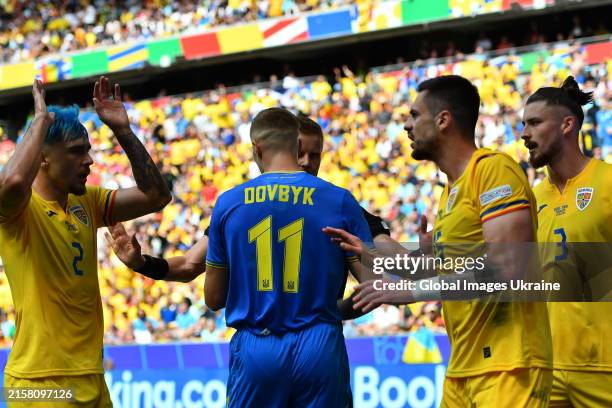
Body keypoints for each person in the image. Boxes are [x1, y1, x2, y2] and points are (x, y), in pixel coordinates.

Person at [326, 75, 553, 407]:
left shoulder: (492, 171)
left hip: (510, 366)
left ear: (443, 120)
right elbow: (441, 271)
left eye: (414, 115)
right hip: (464, 368)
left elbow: (506, 268)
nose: (406, 125)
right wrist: (371, 245)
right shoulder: (450, 193)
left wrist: (408, 292)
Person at [0, 77, 171, 406]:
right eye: (77, 151)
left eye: (88, 150)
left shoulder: (87, 202)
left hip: (91, 375)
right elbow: (14, 182)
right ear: (43, 158)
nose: (89, 160)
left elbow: (156, 196)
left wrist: (123, 131)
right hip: (37, 382)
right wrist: (40, 121)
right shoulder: (18, 210)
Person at [204, 107, 373, 407]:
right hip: (319, 343)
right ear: (296, 145)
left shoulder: (228, 204)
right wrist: (335, 310)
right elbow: (375, 286)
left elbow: (214, 298)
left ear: (256, 149)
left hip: (257, 346)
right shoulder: (339, 200)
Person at [105, 115, 393, 290]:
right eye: (298, 153)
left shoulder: (338, 204)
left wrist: (419, 264)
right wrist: (142, 263)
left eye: (314, 155)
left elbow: (388, 264)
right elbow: (189, 265)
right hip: (313, 343)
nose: (306, 162)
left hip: (268, 345)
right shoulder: (236, 206)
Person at [522, 76, 612, 407]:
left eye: (534, 123)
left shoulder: (607, 182)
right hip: (546, 369)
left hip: (604, 367)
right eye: (523, 124)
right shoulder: (530, 199)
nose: (524, 133)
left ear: (567, 125)